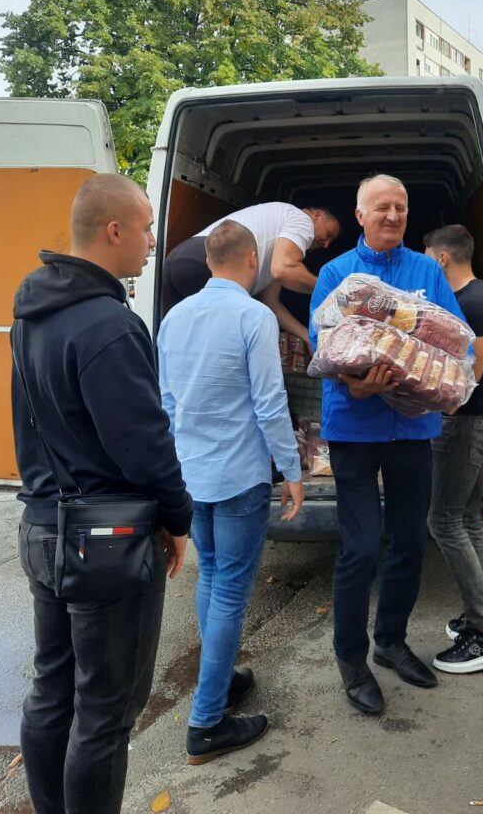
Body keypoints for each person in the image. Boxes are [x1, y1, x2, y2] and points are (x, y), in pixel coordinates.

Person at [11, 173, 193, 814]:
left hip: (44, 527)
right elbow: (143, 444)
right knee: (105, 711)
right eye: (146, 228)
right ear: (114, 231)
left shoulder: (32, 313)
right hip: (105, 542)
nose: (152, 242)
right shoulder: (109, 325)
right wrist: (177, 517)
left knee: (53, 691)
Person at [309, 174, 467, 715]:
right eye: (382, 208)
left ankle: (391, 641)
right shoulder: (337, 274)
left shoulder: (427, 270)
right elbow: (323, 343)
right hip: (354, 426)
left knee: (410, 542)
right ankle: (351, 659)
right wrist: (351, 383)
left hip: (413, 429)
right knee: (359, 549)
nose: (393, 216)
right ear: (360, 215)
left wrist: (448, 382)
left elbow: (453, 336)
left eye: (400, 207)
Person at [158, 220, 305, 764]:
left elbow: (166, 402)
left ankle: (219, 682)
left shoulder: (174, 317)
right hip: (239, 475)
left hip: (191, 474)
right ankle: (206, 722)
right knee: (229, 590)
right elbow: (269, 401)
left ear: (208, 261)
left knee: (214, 575)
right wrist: (291, 470)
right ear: (251, 260)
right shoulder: (253, 316)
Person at [422, 224, 483, 673]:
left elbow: (465, 379)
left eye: (426, 256)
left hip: (468, 423)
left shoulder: (475, 303)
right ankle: (481, 616)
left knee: (442, 520)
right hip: (476, 421)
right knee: (468, 517)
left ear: (441, 258)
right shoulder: (471, 298)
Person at [162, 201, 341, 349]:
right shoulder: (302, 220)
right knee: (222, 349)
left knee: (188, 344)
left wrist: (307, 337)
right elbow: (284, 269)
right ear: (317, 216)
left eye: (330, 242)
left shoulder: (279, 244)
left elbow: (271, 303)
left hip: (177, 260)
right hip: (208, 260)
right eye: (328, 234)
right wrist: (332, 290)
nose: (326, 245)